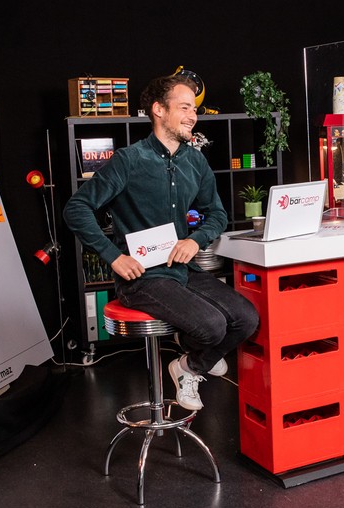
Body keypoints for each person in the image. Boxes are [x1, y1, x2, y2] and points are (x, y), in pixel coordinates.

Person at [64, 74, 258, 411]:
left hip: (183, 268)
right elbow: (76, 208)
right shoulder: (129, 160)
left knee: (246, 318)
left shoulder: (195, 160)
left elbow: (216, 214)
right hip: (142, 277)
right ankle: (197, 353)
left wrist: (196, 240)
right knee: (212, 326)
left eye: (194, 109)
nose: (192, 116)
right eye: (184, 107)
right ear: (158, 110)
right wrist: (113, 257)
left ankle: (187, 366)